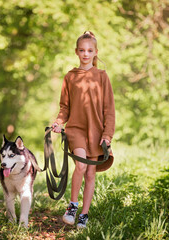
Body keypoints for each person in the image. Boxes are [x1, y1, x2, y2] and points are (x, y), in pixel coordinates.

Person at [52, 31, 116, 229]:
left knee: (90, 174)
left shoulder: (102, 76)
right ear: (76, 52)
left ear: (96, 52)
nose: (86, 54)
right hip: (76, 128)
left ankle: (84, 215)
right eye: (82, 50)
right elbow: (65, 107)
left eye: (89, 50)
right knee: (80, 166)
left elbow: (109, 110)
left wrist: (107, 135)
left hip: (96, 131)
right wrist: (59, 122)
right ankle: (72, 206)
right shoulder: (70, 77)